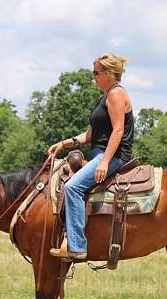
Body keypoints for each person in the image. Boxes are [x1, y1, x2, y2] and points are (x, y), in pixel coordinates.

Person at [48, 52, 134, 261]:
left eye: (96, 72)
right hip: (100, 153)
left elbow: (118, 131)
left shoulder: (116, 94)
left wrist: (105, 161)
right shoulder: (103, 98)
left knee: (72, 187)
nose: (93, 76)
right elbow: (89, 135)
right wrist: (63, 143)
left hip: (114, 156)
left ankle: (77, 246)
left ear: (109, 73)